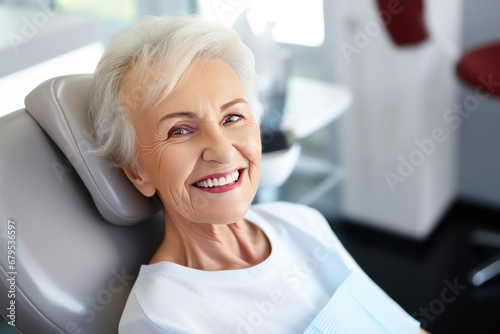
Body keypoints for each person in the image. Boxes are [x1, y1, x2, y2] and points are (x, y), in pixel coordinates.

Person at [89, 15, 429, 334]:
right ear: (136, 172)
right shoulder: (162, 319)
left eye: (232, 118)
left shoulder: (303, 225)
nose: (222, 151)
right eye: (180, 130)